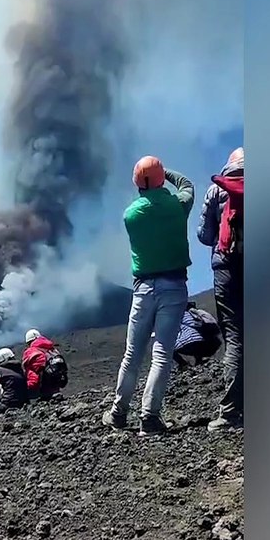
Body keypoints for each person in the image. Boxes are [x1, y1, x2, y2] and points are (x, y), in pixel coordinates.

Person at [103, 155, 195, 436]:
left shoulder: (131, 215)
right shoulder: (178, 206)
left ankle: (119, 413)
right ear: (159, 179)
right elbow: (187, 184)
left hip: (143, 290)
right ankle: (149, 418)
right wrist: (161, 172)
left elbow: (144, 193)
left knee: (132, 354)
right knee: (162, 353)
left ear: (137, 183)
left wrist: (146, 175)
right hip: (174, 288)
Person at [197, 146, 244, 430]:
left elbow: (204, 236)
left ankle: (231, 413)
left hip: (226, 268)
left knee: (235, 337)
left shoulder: (216, 191)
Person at [21, 328, 69, 400]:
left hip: (44, 389)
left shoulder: (31, 351)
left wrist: (27, 388)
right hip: (57, 386)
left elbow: (33, 373)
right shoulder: (53, 350)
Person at [174, 302, 222, 368]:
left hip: (182, 346)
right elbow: (212, 323)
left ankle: (183, 364)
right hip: (200, 342)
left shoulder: (173, 318)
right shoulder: (194, 313)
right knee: (198, 337)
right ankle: (199, 360)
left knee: (165, 346)